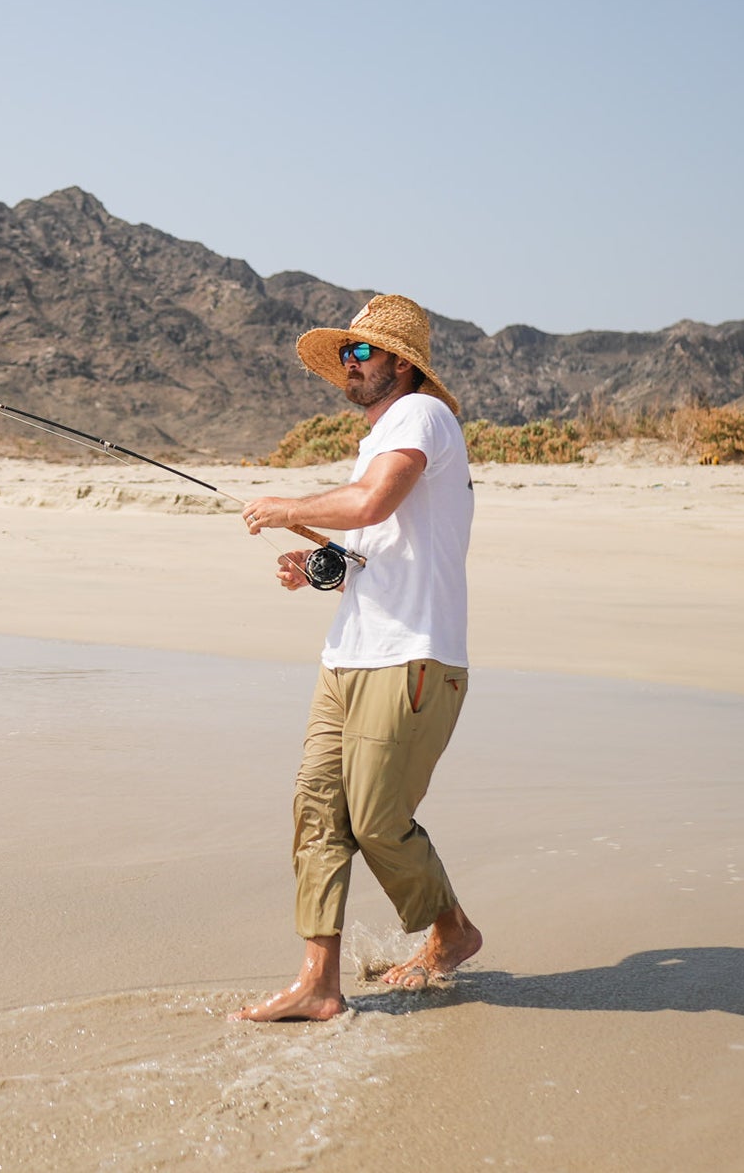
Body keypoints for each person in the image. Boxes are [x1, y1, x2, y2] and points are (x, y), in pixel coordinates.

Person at [231, 293, 481, 1022]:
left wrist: (287, 507)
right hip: (347, 656)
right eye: (345, 352)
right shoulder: (379, 439)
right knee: (316, 810)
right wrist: (315, 567)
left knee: (375, 820)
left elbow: (371, 504)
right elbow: (370, 549)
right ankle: (318, 983)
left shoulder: (423, 417)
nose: (350, 363)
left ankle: (452, 930)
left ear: (402, 364)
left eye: (363, 352)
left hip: (412, 656)